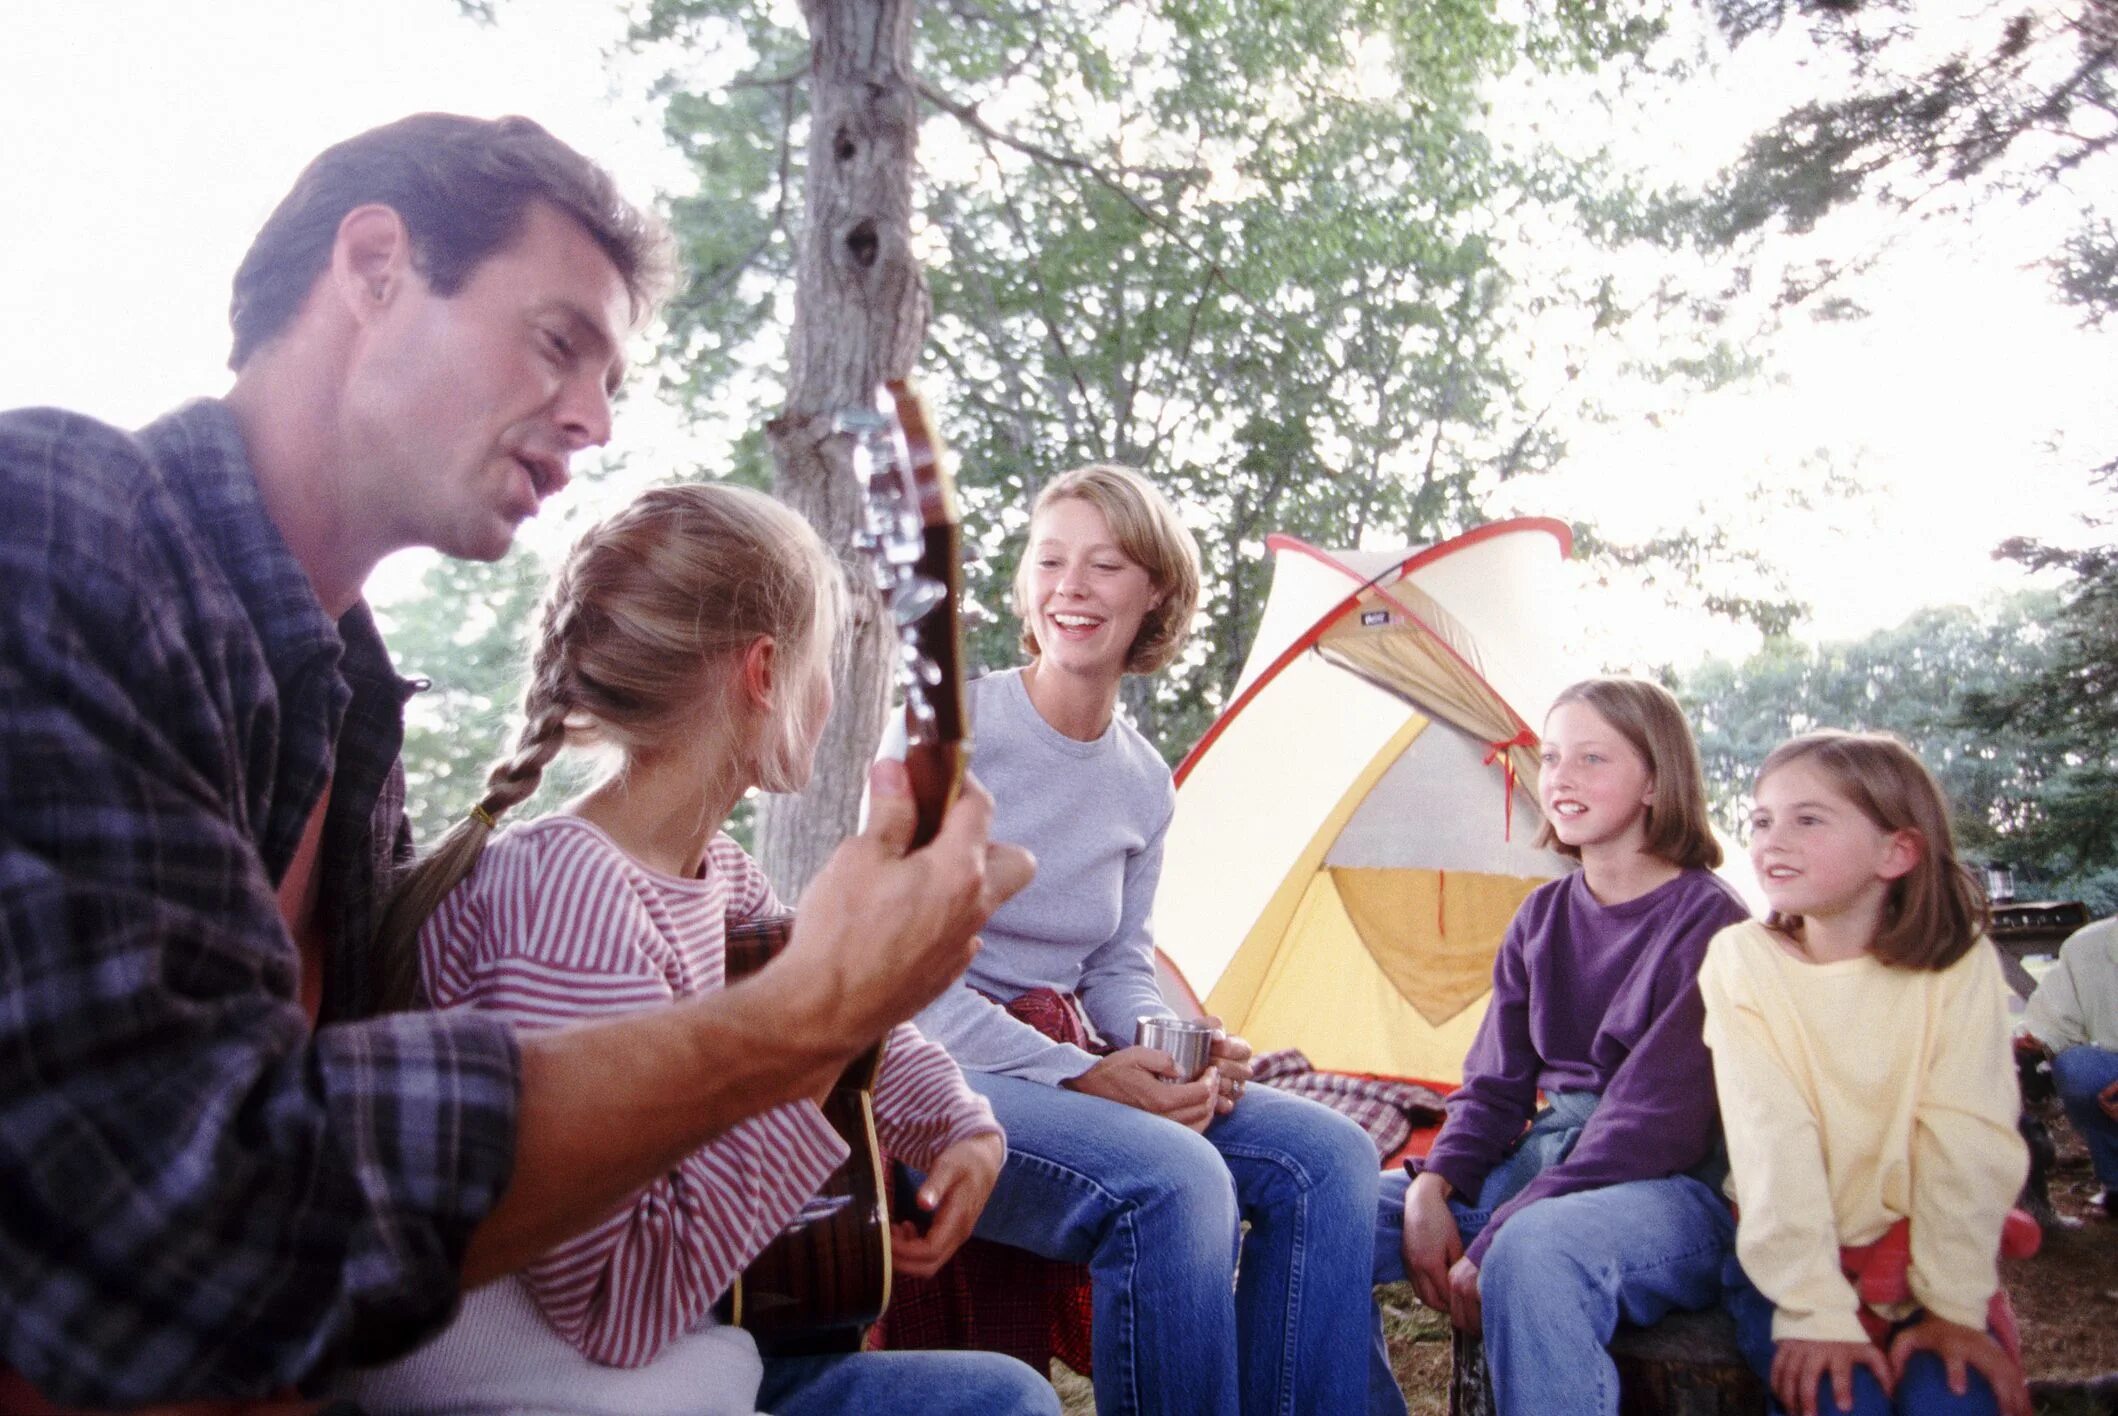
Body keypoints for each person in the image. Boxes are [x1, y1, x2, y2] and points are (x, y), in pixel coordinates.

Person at [0, 113, 1029, 1412]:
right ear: (374, 264)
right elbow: (159, 1215)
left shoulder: (347, 717)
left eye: (611, 379)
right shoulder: (60, 523)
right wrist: (809, 1022)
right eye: (559, 343)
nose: (596, 420)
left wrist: (898, 1050)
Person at [332, 483, 1055, 1415]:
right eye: (826, 660)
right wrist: (821, 1032)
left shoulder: (717, 876)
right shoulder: (567, 896)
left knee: (1004, 1395)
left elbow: (852, 1012)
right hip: (548, 1385)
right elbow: (611, 1306)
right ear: (764, 673)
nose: (836, 695)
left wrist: (963, 1128)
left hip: (675, 1355)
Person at [896, 464, 1382, 1416]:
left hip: (1061, 1052)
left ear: (1154, 590)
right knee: (1177, 1179)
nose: (1071, 587)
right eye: (1051, 561)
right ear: (1027, 587)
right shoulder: (947, 734)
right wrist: (1078, 1074)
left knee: (1331, 1160)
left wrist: (1171, 1049)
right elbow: (900, 983)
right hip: (935, 1071)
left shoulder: (1142, 781)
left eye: (1106, 564)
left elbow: (1118, 964)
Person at [1372, 677, 1751, 1416]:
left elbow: (1653, 1126)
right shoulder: (1542, 916)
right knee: (1324, 1212)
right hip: (1540, 1165)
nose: (1561, 779)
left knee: (1533, 1252)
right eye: (1550, 758)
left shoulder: (1711, 924)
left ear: (1655, 780)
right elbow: (1494, 1089)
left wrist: (1504, 1227)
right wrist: (1433, 1185)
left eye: (1593, 759)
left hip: (1665, 1193)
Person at [1700, 731, 2031, 1416]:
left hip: (1924, 1262)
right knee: (1838, 1402)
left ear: (1897, 851)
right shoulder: (1741, 961)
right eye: (1762, 820)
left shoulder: (1956, 965)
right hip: (1792, 1266)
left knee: (1956, 1401)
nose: (1772, 839)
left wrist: (1954, 1307)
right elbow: (1771, 1139)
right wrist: (1815, 1311)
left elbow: (1966, 1138)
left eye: (1808, 819)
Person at [2021, 916, 2118, 1218]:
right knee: (2079, 1069)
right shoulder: (2087, 944)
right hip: (2111, 1074)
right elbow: (2049, 1023)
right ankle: (2116, 1183)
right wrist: (2036, 1041)